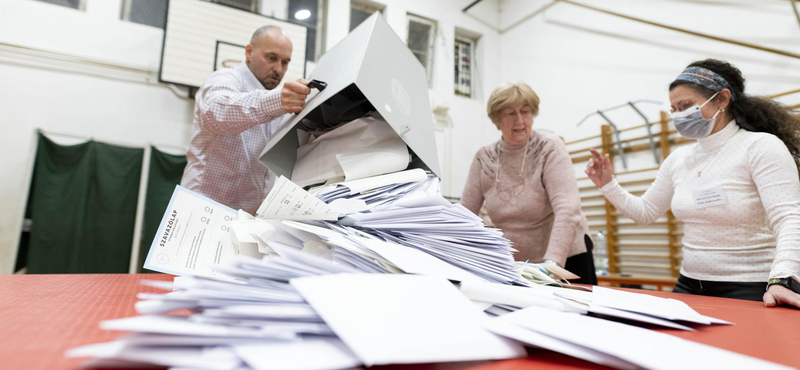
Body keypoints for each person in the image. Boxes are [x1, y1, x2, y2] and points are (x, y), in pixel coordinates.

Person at [586, 59, 800, 307]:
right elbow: (645, 212)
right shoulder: (678, 159)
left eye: (686, 105)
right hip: (688, 284)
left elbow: (790, 217)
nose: (679, 115)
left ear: (722, 99)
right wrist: (607, 184)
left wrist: (783, 277)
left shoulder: (760, 146)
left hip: (750, 286)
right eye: (674, 109)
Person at [461, 82, 597, 285]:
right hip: (517, 264)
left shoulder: (549, 148)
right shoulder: (484, 158)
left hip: (566, 259)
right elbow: (465, 216)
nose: (520, 120)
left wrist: (551, 267)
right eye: (510, 113)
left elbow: (568, 210)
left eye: (525, 112)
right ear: (497, 120)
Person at [181, 25, 315, 214]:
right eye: (271, 58)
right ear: (249, 53)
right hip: (202, 210)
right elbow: (215, 112)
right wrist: (277, 100)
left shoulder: (277, 102)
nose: (278, 69)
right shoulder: (226, 78)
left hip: (247, 219)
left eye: (285, 62)